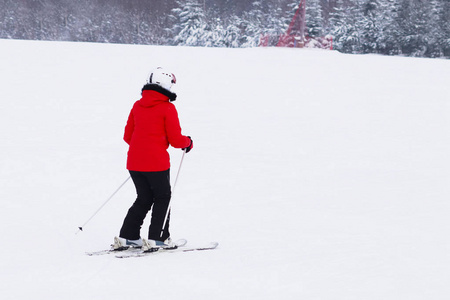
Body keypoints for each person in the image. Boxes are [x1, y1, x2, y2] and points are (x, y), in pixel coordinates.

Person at [113, 67, 193, 252]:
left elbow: (128, 136)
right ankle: (159, 238)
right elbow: (175, 140)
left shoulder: (137, 105)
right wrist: (187, 142)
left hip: (134, 163)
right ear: (165, 85)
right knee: (163, 197)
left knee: (144, 197)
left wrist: (143, 146)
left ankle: (128, 236)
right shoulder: (167, 108)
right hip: (156, 164)